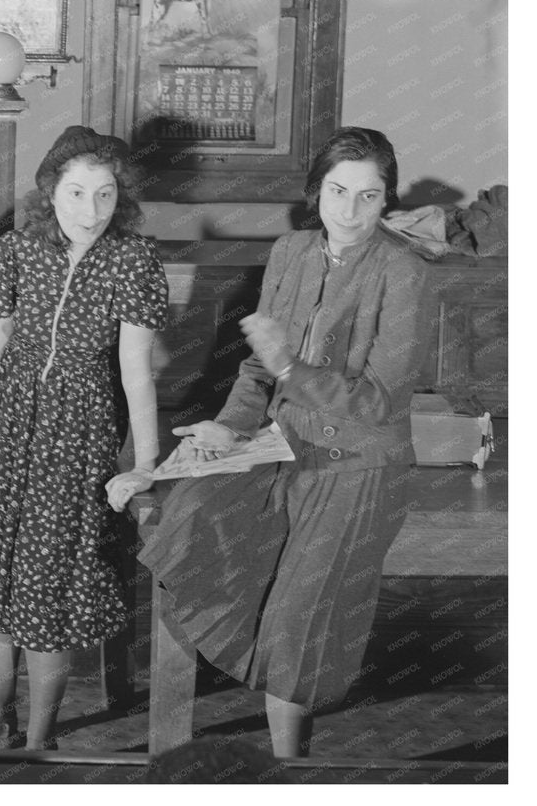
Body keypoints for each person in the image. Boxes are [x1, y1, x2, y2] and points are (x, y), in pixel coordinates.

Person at [140, 127, 431, 758]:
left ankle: (288, 771)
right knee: (184, 525)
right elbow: (256, 370)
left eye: (369, 196)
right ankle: (179, 741)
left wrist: (291, 369)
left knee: (300, 622)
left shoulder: (404, 273)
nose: (350, 212)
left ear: (387, 201)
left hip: (360, 468)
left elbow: (379, 403)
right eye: (337, 191)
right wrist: (229, 426)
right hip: (282, 447)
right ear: (315, 191)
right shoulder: (292, 252)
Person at [0, 126, 168, 750]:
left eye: (105, 196)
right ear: (50, 193)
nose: (89, 212)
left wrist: (147, 462)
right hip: (12, 429)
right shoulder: (17, 250)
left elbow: (135, 369)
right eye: (76, 193)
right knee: (2, 578)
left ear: (120, 197)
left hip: (76, 437)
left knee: (45, 588)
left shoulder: (131, 259)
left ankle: (39, 738)